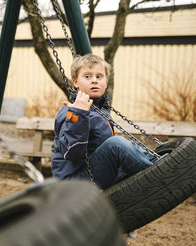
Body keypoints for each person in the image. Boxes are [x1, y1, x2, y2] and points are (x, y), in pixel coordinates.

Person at [51, 54, 157, 189]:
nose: (94, 80)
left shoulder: (100, 109)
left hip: (94, 173)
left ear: (106, 82)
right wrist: (79, 114)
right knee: (116, 145)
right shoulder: (70, 111)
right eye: (87, 76)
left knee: (128, 145)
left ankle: (158, 161)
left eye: (99, 76)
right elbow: (72, 153)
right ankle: (160, 174)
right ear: (76, 82)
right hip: (74, 183)